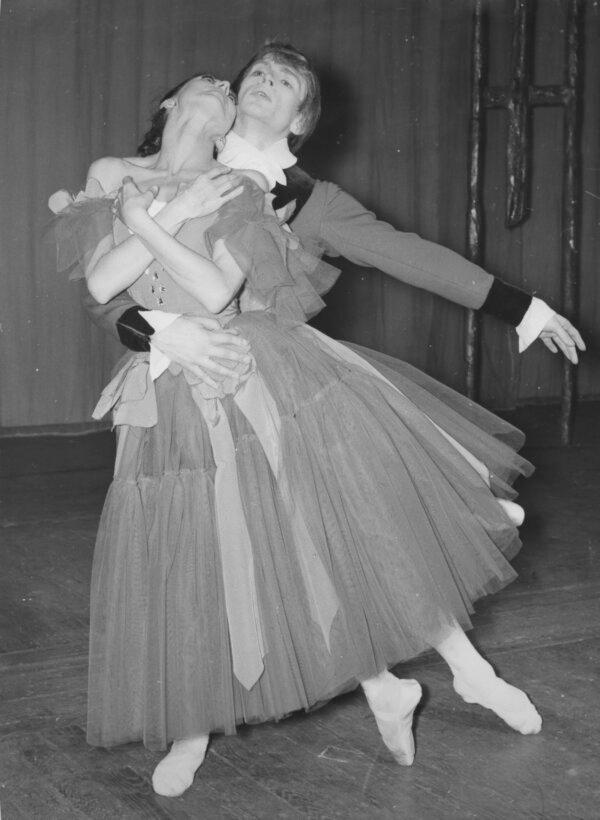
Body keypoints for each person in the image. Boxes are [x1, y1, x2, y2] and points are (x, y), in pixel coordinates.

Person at [84, 42, 583, 377]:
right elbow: (100, 288)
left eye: (285, 82)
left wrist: (523, 310)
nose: (266, 81)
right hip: (170, 371)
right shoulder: (161, 168)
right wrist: (157, 333)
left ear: (301, 120)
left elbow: (411, 257)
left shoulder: (312, 201)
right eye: (258, 73)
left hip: (264, 376)